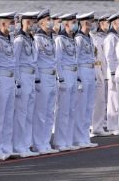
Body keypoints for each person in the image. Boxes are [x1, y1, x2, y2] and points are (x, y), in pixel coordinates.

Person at [0, 11, 17, 159]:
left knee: (8, 116)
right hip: (1, 79)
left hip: (11, 80)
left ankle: (6, 146)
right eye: (11, 23)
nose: (14, 25)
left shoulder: (10, 39)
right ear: (3, 24)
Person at [32, 10, 59, 155]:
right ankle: (38, 143)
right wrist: (37, 80)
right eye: (48, 19)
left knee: (49, 112)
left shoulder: (52, 37)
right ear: (41, 22)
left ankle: (46, 141)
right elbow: (35, 61)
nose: (51, 22)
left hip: (52, 76)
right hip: (42, 76)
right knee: (40, 113)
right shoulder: (38, 38)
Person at [13, 11, 40, 157]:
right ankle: (18, 146)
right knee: (21, 114)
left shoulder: (31, 39)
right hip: (23, 76)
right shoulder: (19, 40)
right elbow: (15, 62)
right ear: (26, 22)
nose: (35, 23)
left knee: (29, 114)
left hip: (30, 76)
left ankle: (26, 144)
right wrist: (17, 81)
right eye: (33, 21)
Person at [53, 12, 80, 151]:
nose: (76, 24)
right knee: (63, 110)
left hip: (73, 74)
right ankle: (60, 141)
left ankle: (68, 140)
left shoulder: (72, 39)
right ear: (66, 24)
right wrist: (61, 79)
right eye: (73, 22)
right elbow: (57, 61)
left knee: (71, 110)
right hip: (65, 73)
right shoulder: (60, 39)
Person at [73, 11, 98, 148]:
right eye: (92, 21)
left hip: (90, 70)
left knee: (89, 107)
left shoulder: (89, 38)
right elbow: (75, 60)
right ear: (86, 23)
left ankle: (85, 137)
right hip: (82, 71)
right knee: (81, 108)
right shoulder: (79, 39)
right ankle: (78, 138)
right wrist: (78, 79)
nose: (94, 24)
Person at [90, 14, 110, 137]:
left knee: (101, 101)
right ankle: (90, 126)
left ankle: (98, 126)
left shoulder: (100, 38)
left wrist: (105, 73)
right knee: (90, 102)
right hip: (90, 70)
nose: (94, 25)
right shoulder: (83, 38)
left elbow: (102, 58)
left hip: (99, 70)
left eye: (95, 22)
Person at [104, 11, 119, 135]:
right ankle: (112, 125)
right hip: (113, 68)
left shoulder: (118, 36)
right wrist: (111, 72)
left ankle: (117, 123)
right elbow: (109, 56)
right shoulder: (111, 37)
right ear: (115, 22)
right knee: (113, 97)